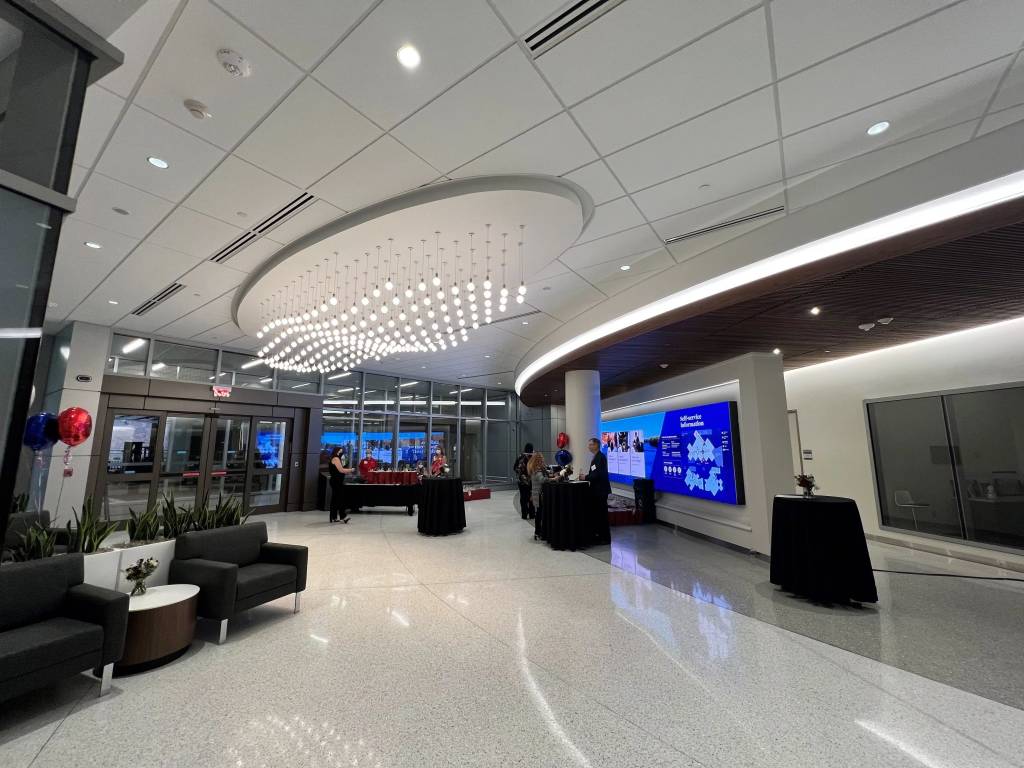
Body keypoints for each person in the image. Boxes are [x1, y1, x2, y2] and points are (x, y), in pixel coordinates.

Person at [580, 437, 612, 545]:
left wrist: (586, 477)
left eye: (590, 444)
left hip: (601, 491)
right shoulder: (596, 457)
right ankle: (599, 535)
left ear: (596, 445)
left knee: (602, 514)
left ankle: (605, 538)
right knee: (598, 514)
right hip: (596, 491)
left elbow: (597, 474)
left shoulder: (600, 457)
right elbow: (594, 473)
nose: (588, 447)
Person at [329, 447, 355, 523]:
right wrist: (351, 470)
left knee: (335, 500)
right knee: (340, 499)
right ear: (336, 451)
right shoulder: (336, 459)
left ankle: (334, 517)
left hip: (337, 481)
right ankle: (343, 517)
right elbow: (341, 470)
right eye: (340, 451)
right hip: (336, 482)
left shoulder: (337, 459)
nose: (341, 453)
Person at [513, 442, 534, 519]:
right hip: (532, 481)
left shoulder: (520, 457)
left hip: (521, 481)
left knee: (523, 497)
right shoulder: (534, 457)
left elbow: (515, 468)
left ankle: (524, 514)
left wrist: (521, 475)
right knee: (531, 496)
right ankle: (532, 514)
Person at [527, 452, 548, 523]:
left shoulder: (534, 469)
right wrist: (552, 479)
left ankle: (538, 532)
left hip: (536, 494)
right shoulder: (537, 470)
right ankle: (538, 532)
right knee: (539, 514)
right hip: (539, 494)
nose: (543, 460)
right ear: (538, 460)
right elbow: (542, 480)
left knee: (538, 513)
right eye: (541, 459)